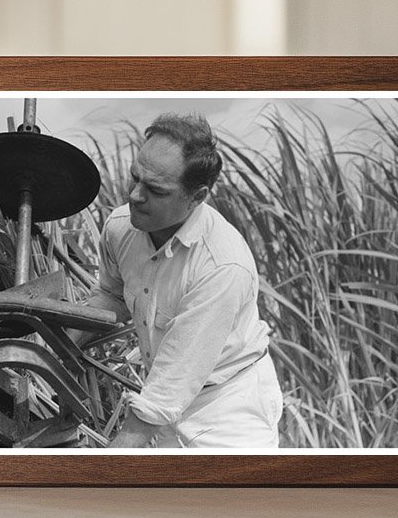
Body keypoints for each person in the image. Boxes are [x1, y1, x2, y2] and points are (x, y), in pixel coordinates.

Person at [83, 113, 283, 449]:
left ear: (197, 196)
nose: (134, 195)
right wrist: (53, 344)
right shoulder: (121, 227)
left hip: (228, 410)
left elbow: (169, 386)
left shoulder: (221, 265)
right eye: (135, 178)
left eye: (155, 190)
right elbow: (110, 295)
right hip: (164, 399)